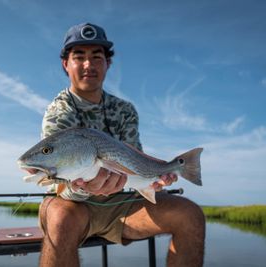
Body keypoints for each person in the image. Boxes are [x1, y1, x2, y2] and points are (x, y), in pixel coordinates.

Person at [38, 22, 205, 267]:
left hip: (120, 203)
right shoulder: (58, 111)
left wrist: (154, 179)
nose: (88, 64)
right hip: (73, 204)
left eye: (97, 56)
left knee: (190, 215)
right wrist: (89, 187)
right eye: (79, 57)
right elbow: (60, 184)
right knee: (60, 218)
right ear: (66, 64)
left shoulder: (125, 110)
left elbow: (135, 159)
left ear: (108, 64)